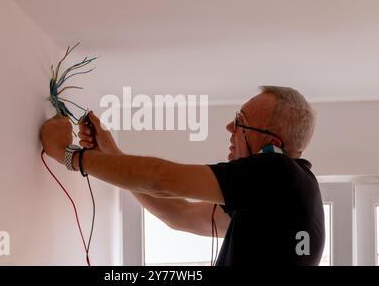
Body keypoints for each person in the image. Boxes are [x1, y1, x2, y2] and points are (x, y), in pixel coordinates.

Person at [40, 85, 325, 265]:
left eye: (241, 121)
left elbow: (161, 179)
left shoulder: (276, 173)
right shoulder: (284, 194)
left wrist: (67, 154)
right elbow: (178, 214)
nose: (229, 127)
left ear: (271, 144)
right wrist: (111, 152)